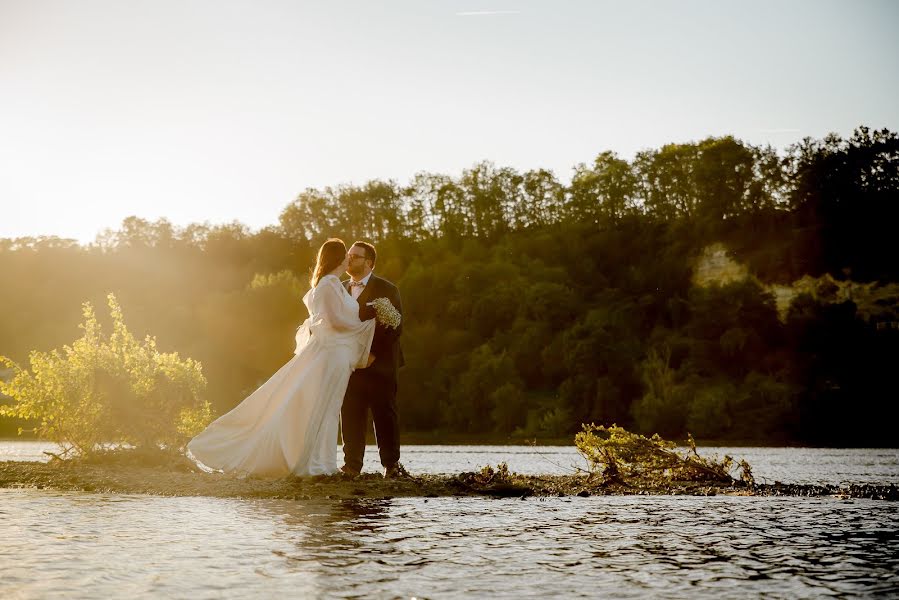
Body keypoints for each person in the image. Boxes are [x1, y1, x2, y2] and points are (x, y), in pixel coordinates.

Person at [187, 239, 376, 477]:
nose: (350, 258)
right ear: (339, 258)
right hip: (329, 354)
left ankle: (323, 462)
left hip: (338, 355)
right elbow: (334, 321)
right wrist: (367, 324)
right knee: (320, 406)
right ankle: (309, 462)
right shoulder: (328, 284)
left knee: (329, 407)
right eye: (347, 254)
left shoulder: (335, 284)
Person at [340, 241, 407, 478]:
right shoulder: (339, 288)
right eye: (348, 255)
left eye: (355, 256)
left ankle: (391, 465)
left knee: (385, 414)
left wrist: (372, 354)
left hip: (382, 365)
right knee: (350, 412)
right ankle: (352, 466)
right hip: (350, 365)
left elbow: (394, 327)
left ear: (369, 262)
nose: (349, 259)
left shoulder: (388, 289)